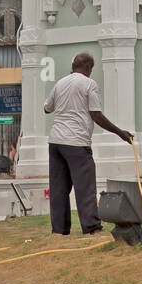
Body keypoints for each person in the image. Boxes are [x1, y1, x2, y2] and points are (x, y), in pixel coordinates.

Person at [43, 52, 133, 236]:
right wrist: (120, 133)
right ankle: (92, 227)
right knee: (85, 187)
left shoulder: (60, 83)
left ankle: (59, 230)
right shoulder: (89, 84)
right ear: (89, 68)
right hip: (77, 141)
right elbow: (96, 114)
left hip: (55, 142)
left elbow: (47, 108)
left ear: (73, 66)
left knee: (59, 188)